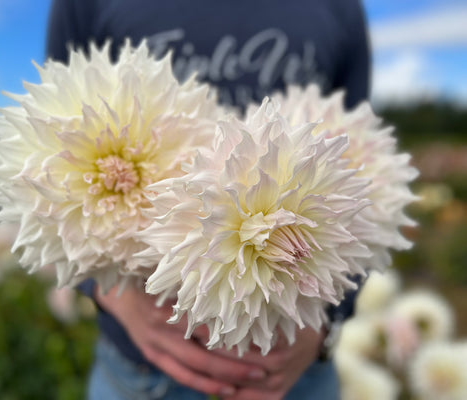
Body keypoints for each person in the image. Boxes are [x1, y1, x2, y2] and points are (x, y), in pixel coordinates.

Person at [46, 1, 370, 399]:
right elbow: (46, 145)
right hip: (144, 370)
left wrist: (326, 327)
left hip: (294, 371)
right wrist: (113, 294)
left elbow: (363, 172)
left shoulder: (339, 8)